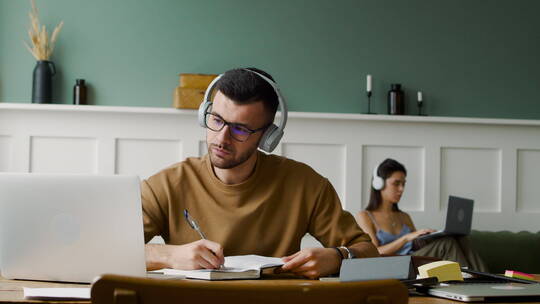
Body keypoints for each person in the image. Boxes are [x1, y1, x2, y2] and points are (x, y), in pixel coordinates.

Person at [142, 67, 379, 279]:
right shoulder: (166, 184)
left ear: (268, 137)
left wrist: (338, 257)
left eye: (240, 129)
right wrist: (169, 255)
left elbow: (368, 253)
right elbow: (108, 250)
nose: (222, 138)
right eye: (216, 120)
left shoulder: (307, 185)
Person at [356, 158, 488, 271]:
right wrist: (406, 238)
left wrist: (432, 236)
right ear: (379, 184)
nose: (401, 189)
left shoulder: (404, 216)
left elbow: (417, 245)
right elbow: (374, 252)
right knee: (446, 244)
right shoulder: (365, 216)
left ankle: (486, 280)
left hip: (416, 259)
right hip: (396, 264)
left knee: (458, 238)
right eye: (396, 183)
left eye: (403, 184)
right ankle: (472, 281)